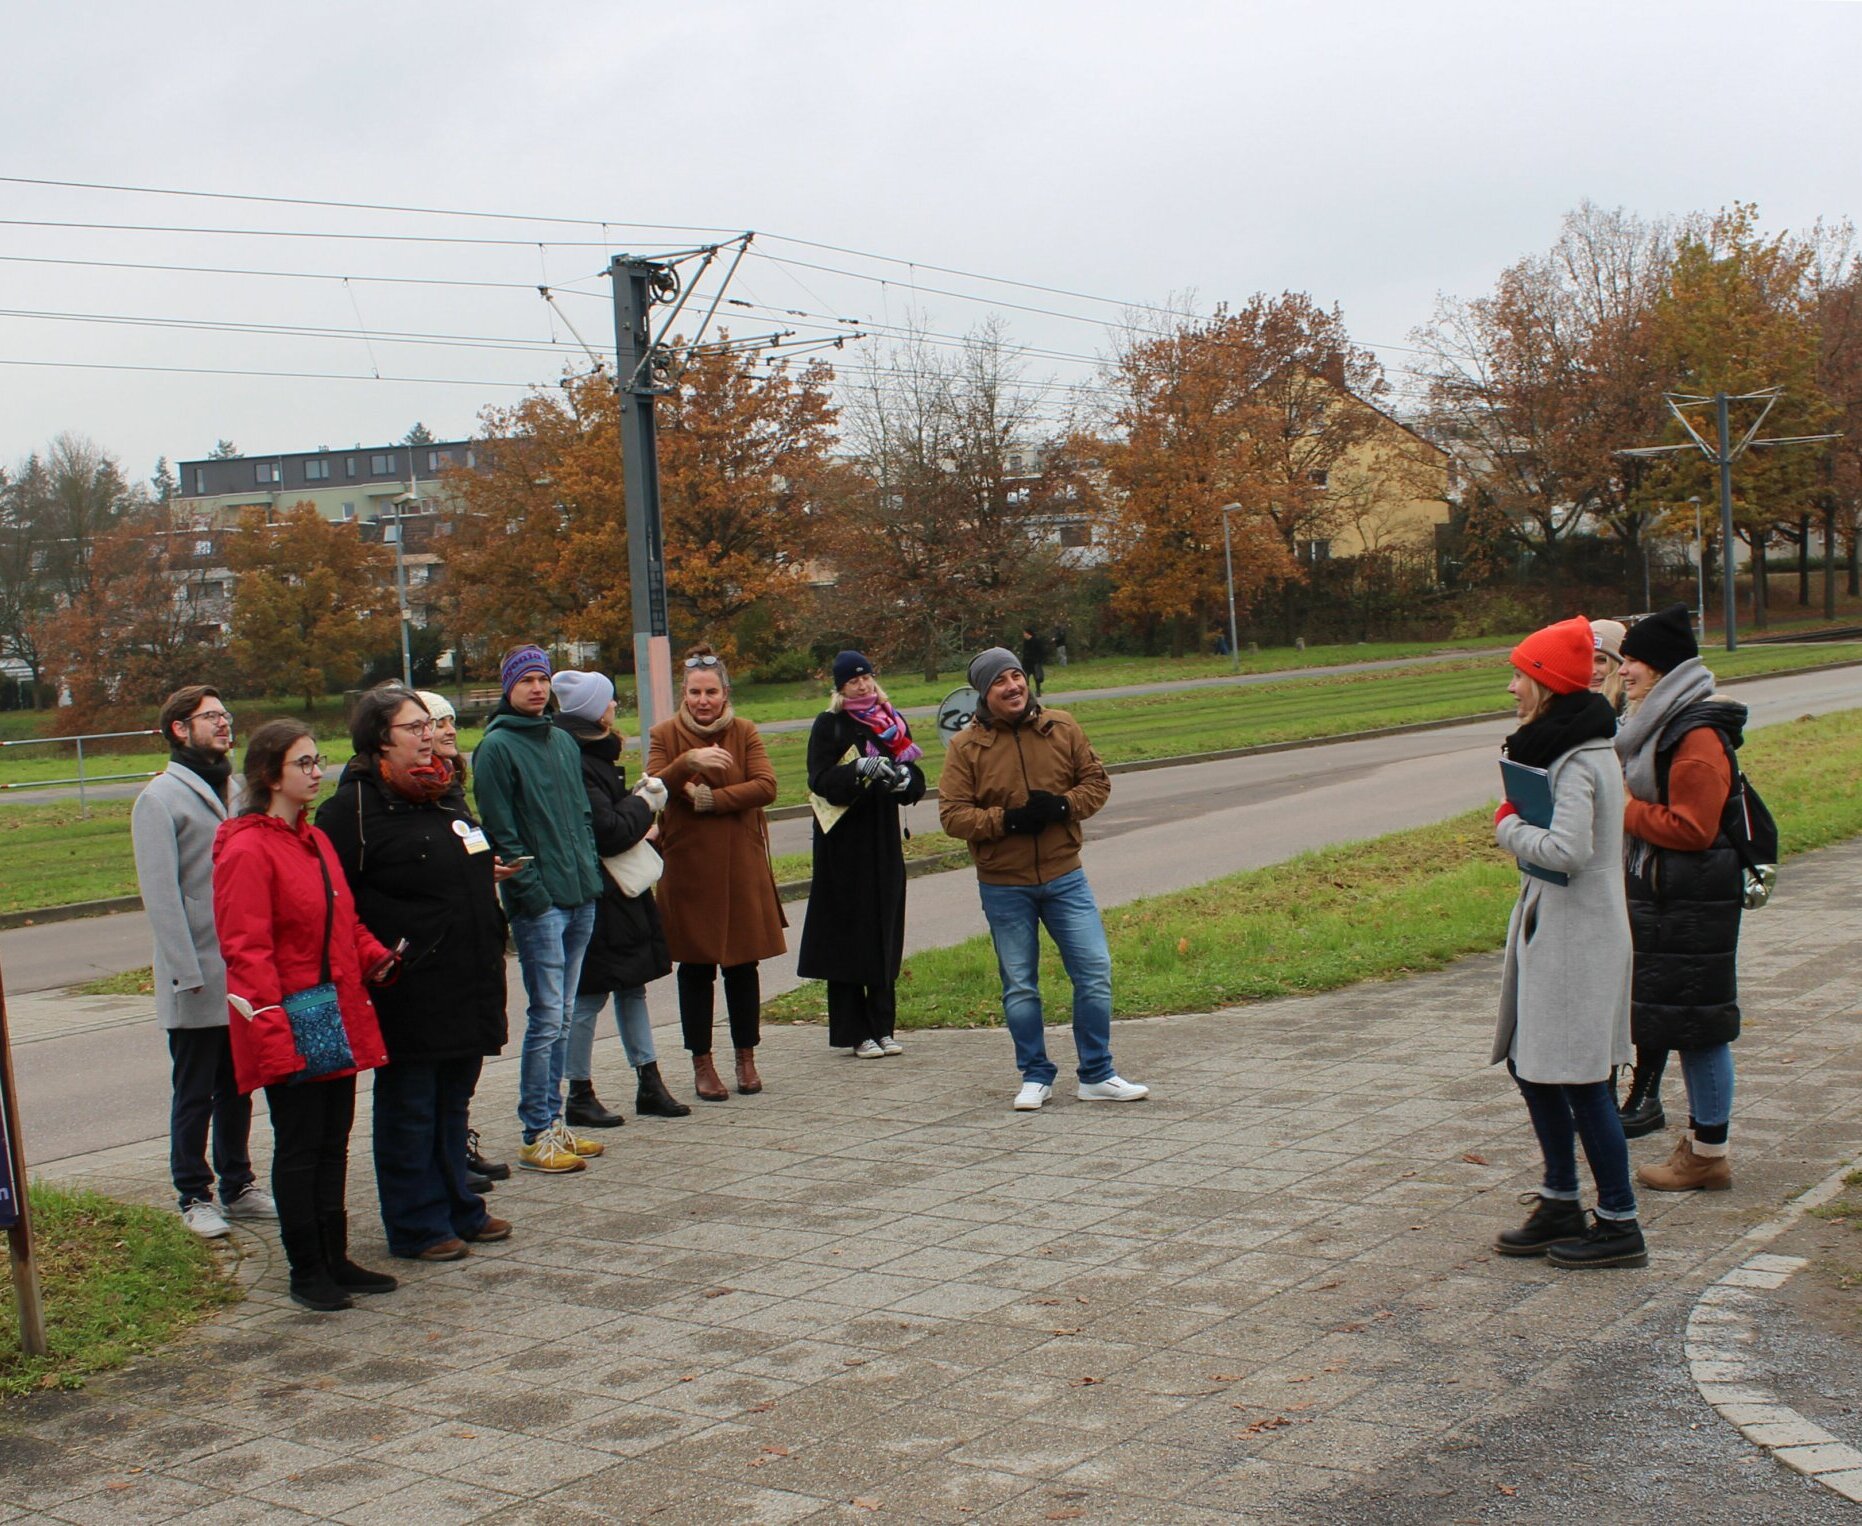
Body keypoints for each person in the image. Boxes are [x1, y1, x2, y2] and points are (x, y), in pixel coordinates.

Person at [318, 687, 511, 1261]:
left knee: (453, 1102)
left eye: (429, 725)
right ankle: (416, 1224)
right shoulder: (353, 810)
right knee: (412, 1107)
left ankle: (459, 1208)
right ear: (380, 739)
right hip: (410, 985)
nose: (428, 736)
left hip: (469, 976)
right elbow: (339, 903)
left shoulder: (443, 793)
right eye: (413, 728)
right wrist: (381, 955)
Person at [212, 721, 398, 1311]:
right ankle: (306, 1269)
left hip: (334, 1010)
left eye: (318, 761)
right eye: (304, 763)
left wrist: (374, 957)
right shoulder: (247, 849)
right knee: (300, 1145)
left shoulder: (313, 839)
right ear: (271, 774)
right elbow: (246, 952)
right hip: (290, 1018)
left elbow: (344, 921)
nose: (318, 772)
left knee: (333, 1140)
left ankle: (334, 1256)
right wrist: (272, 1032)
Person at [1489, 617, 1645, 1269]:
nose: (1511, 687)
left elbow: (1568, 850)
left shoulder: (1578, 756)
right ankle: (1559, 1199)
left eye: (1520, 675)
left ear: (1547, 683)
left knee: (1581, 1079)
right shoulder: (1562, 743)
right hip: (1555, 929)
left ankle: (1619, 1221)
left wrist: (1508, 827)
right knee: (1532, 1063)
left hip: (1579, 937)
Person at [939, 646, 1147, 1111]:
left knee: (1094, 971)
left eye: (1016, 675)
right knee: (1020, 984)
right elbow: (952, 816)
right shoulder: (965, 747)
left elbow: (1097, 783)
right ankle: (1035, 1075)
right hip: (1003, 884)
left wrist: (1062, 806)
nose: (1012, 686)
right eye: (999, 681)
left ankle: (1097, 1074)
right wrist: (1008, 820)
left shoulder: (1062, 727)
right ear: (984, 693)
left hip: (1064, 875)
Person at [130, 685, 274, 1239]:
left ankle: (239, 1185)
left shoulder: (238, 790)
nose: (222, 723)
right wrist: (184, 971)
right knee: (194, 1090)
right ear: (179, 728)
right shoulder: (159, 798)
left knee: (239, 1084)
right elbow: (161, 895)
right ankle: (193, 1193)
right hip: (195, 971)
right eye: (210, 716)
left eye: (225, 714)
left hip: (241, 966)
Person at [1615, 604, 1748, 1192]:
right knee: (1689, 1022)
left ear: (1664, 668)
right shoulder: (1661, 725)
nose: (1624, 671)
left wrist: (1624, 809)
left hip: (1692, 903)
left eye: (1635, 661)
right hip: (1674, 898)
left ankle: (1707, 1153)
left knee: (1700, 1028)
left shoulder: (1694, 735)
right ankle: (1703, 1147)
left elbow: (1694, 828)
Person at [472, 645, 607, 1174]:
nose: (536, 688)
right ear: (509, 686)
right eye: (525, 679)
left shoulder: (562, 742)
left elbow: (581, 816)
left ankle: (555, 1120)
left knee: (566, 1014)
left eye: (542, 679)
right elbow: (501, 830)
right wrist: (532, 892)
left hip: (581, 893)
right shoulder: (497, 748)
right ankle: (535, 1130)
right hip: (541, 904)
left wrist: (589, 873)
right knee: (547, 1017)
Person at [647, 645, 786, 1102]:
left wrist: (709, 799)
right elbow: (654, 787)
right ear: (683, 694)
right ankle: (702, 1063)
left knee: (743, 965)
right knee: (696, 967)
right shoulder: (664, 734)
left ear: (725, 693)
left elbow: (766, 786)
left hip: (740, 864)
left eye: (710, 692)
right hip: (688, 869)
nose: (702, 701)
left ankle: (746, 1057)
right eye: (694, 692)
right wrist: (687, 764)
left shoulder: (744, 731)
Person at [553, 670, 688, 1123]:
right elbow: (607, 830)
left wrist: (632, 809)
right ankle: (579, 1091)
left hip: (619, 891)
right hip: (600, 891)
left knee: (632, 986)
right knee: (590, 994)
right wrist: (644, 803)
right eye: (609, 700)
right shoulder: (577, 759)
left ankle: (649, 1081)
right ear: (593, 710)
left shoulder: (590, 754)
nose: (614, 706)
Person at [796, 651, 927, 1058]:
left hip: (883, 840)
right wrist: (857, 771)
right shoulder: (830, 724)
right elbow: (819, 780)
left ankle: (883, 1025)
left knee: (885, 928)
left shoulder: (890, 721)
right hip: (843, 845)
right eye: (854, 680)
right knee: (849, 935)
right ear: (840, 687)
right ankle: (855, 1031)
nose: (863, 685)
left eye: (867, 677)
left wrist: (906, 780)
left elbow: (914, 775)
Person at [416, 689, 510, 1189]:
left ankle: (457, 1145)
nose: (449, 730)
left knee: (467, 1060)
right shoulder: (415, 792)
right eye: (437, 722)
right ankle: (444, 1157)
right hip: (439, 946)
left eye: (451, 721)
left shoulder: (450, 783)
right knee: (438, 1068)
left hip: (475, 934)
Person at [1019, 626, 1049, 697]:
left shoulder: (1036, 641)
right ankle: (1027, 692)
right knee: (1025, 678)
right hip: (1027, 663)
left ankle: (1038, 691)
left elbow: (1042, 651)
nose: (1024, 635)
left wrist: (1039, 660)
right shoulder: (1025, 642)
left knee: (1037, 678)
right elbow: (1024, 652)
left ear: (1028, 633)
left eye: (1025, 633)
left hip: (1035, 663)